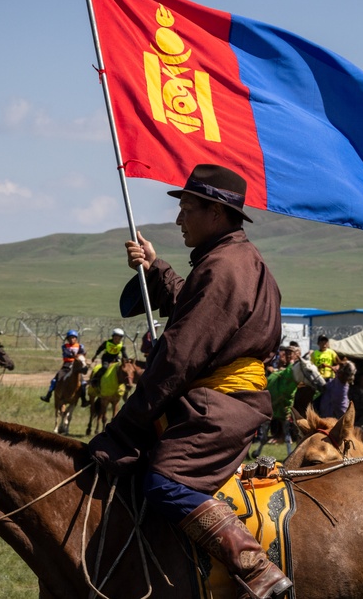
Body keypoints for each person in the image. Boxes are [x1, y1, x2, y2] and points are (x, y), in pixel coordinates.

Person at [86, 164, 291, 599]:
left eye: (186, 208)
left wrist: (124, 428)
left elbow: (179, 356)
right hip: (223, 397)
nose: (179, 219)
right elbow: (199, 311)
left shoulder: (223, 267)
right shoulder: (234, 261)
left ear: (215, 213)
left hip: (223, 404)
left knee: (166, 482)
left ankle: (255, 569)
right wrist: (156, 266)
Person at [252, 345, 300, 458]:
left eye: (291, 353)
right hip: (276, 393)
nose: (288, 355)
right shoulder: (281, 362)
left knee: (287, 425)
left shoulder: (295, 366)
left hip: (287, 397)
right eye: (287, 352)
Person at [40, 330, 86, 403]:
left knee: (83, 383)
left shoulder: (80, 346)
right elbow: (66, 353)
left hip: (76, 366)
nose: (72, 339)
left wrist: (77, 357)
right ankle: (48, 395)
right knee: (54, 380)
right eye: (70, 338)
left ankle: (84, 399)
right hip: (66, 365)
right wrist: (74, 355)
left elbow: (82, 354)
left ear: (76, 338)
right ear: (67, 339)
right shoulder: (64, 346)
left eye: (73, 338)